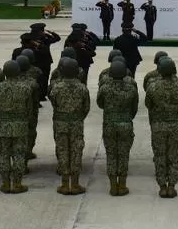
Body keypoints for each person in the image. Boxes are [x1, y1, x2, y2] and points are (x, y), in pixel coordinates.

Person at [145, 57, 178, 198]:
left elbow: (148, 105)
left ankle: (162, 186)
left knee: (159, 155)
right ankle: (172, 186)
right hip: (175, 125)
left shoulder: (153, 87)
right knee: (174, 156)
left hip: (158, 125)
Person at [0, 59, 34, 194]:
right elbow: (30, 109)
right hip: (20, 126)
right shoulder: (25, 88)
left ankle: (5, 183)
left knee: (4, 155)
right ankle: (17, 183)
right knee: (19, 155)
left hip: (3, 126)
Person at [48, 57, 90, 195]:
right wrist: (77, 117)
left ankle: (65, 184)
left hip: (60, 122)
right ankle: (76, 183)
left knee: (63, 151)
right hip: (76, 123)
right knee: (76, 151)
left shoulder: (56, 88)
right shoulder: (82, 88)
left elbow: (54, 103)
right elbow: (86, 107)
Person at [96, 61, 138, 196]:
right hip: (125, 123)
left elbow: (100, 103)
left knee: (111, 155)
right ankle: (123, 185)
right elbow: (134, 108)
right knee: (124, 154)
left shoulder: (104, 88)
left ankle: (113, 186)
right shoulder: (131, 89)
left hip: (109, 124)